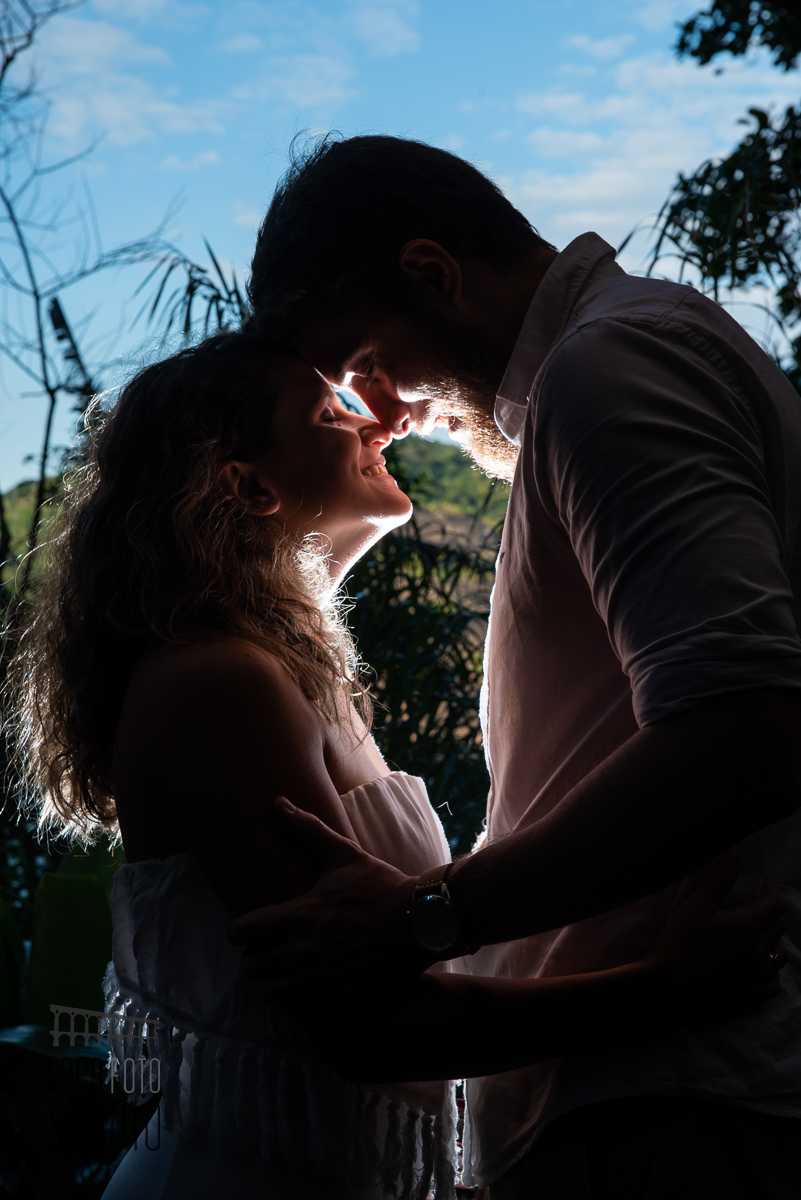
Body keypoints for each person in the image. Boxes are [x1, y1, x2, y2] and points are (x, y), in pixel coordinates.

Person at [6, 332, 785, 1200]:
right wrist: (660, 988)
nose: (374, 426)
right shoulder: (217, 682)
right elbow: (368, 1028)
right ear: (249, 485)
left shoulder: (295, 679)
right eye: (330, 410)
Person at [230, 134, 801, 1197]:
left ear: (433, 275)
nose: (385, 415)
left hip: (670, 1111)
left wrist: (425, 917)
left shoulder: (611, 367)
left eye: (364, 369)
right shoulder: (622, 363)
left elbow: (748, 729)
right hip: (646, 1093)